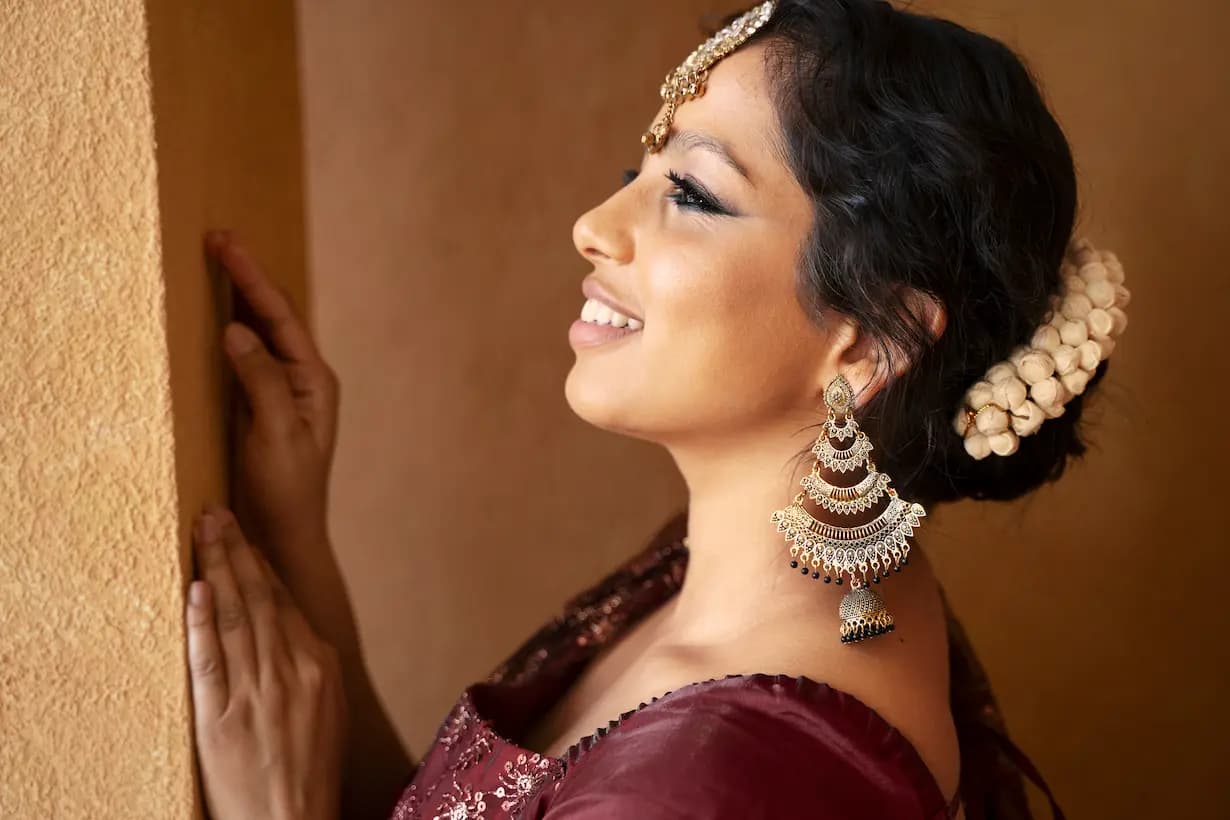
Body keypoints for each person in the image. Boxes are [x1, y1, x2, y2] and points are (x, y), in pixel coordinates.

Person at [184, 1, 1129, 817]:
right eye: (640, 170)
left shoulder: (717, 778)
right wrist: (295, 535)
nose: (594, 227)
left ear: (874, 340)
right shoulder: (789, 571)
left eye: (690, 192)